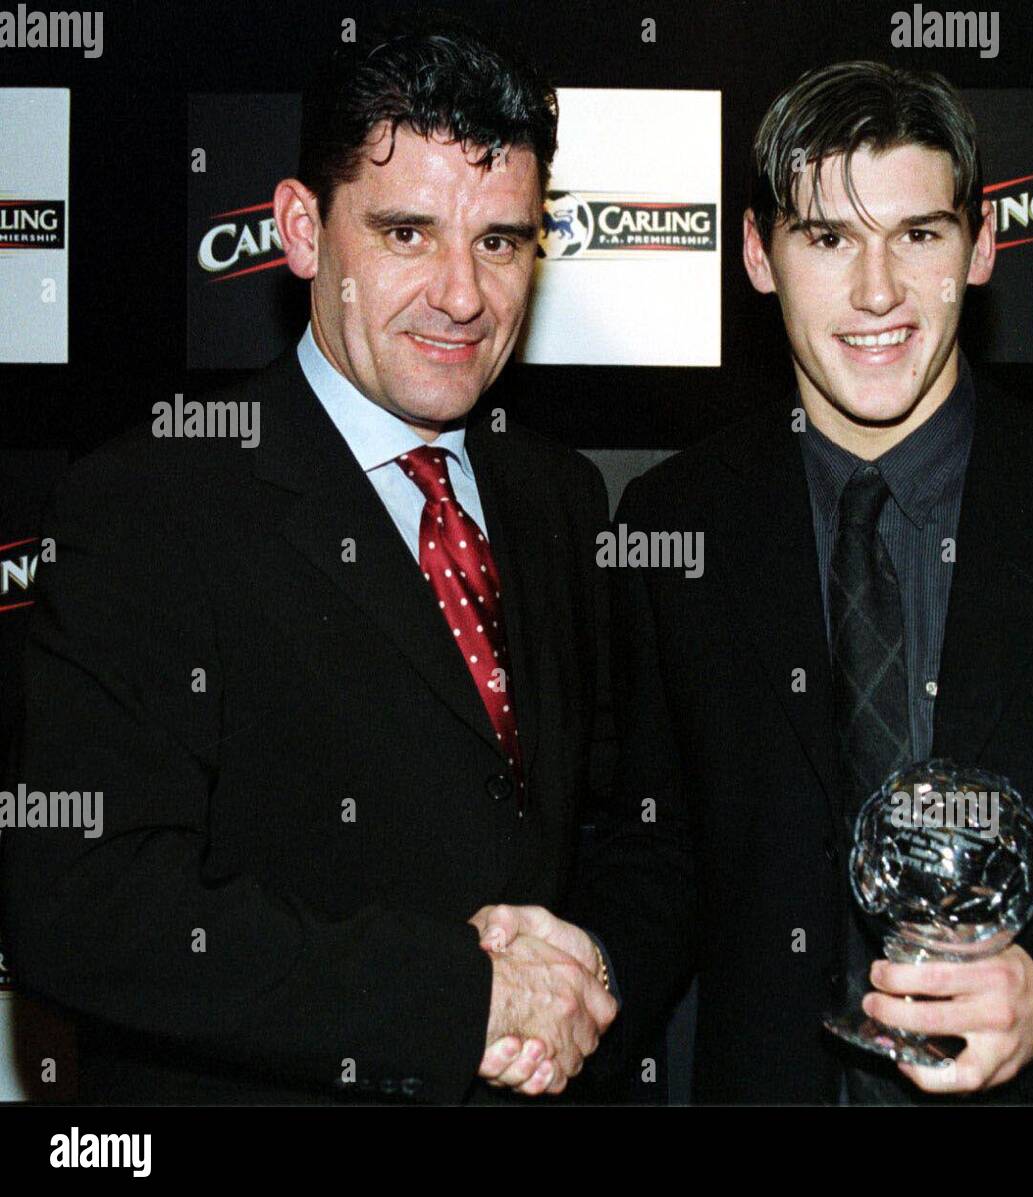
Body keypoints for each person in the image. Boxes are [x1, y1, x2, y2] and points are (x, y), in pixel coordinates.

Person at [480, 60, 1033, 1103]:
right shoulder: (680, 526)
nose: (877, 292)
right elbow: (664, 855)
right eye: (827, 238)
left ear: (982, 246)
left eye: (918, 235)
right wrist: (581, 977)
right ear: (756, 254)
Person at [0, 11, 615, 1104]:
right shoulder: (151, 502)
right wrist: (456, 999)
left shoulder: (554, 494)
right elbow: (82, 903)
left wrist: (579, 985)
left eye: (500, 241)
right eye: (406, 233)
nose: (463, 296)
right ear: (299, 230)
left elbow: (606, 836)